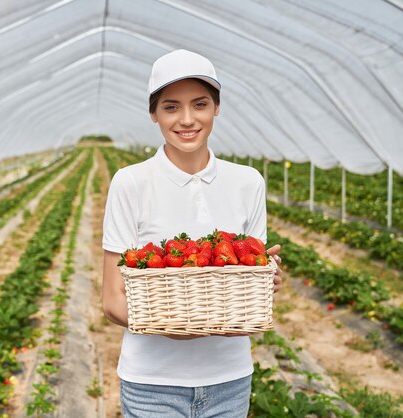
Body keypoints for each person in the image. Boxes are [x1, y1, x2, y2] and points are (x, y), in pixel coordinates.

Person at [101, 49, 283, 418]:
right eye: (171, 107)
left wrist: (266, 278)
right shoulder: (131, 183)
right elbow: (112, 300)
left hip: (229, 380)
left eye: (199, 104)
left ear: (216, 107)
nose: (187, 119)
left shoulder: (248, 182)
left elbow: (245, 286)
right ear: (153, 114)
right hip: (152, 382)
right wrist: (177, 328)